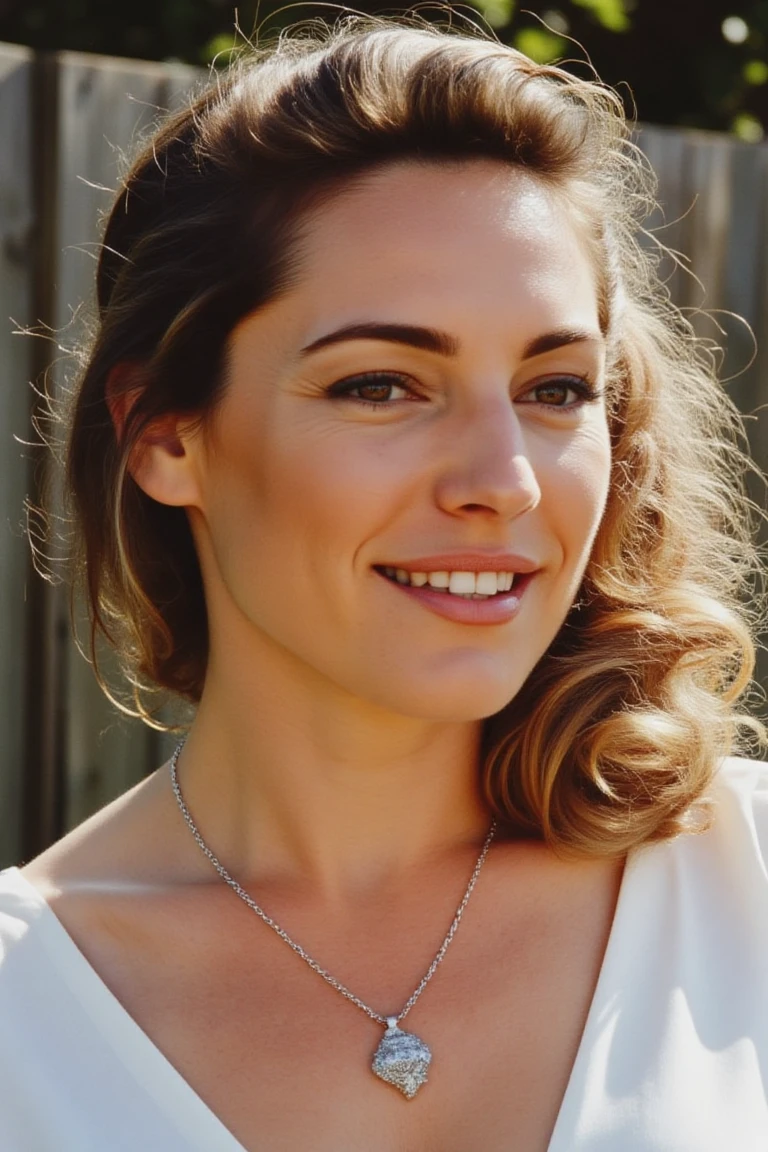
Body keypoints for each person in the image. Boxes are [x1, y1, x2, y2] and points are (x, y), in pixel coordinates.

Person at [1, 16, 766, 1151]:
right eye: (382, 386)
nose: (503, 482)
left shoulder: (746, 881)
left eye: (555, 390)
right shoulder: (26, 1014)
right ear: (166, 432)